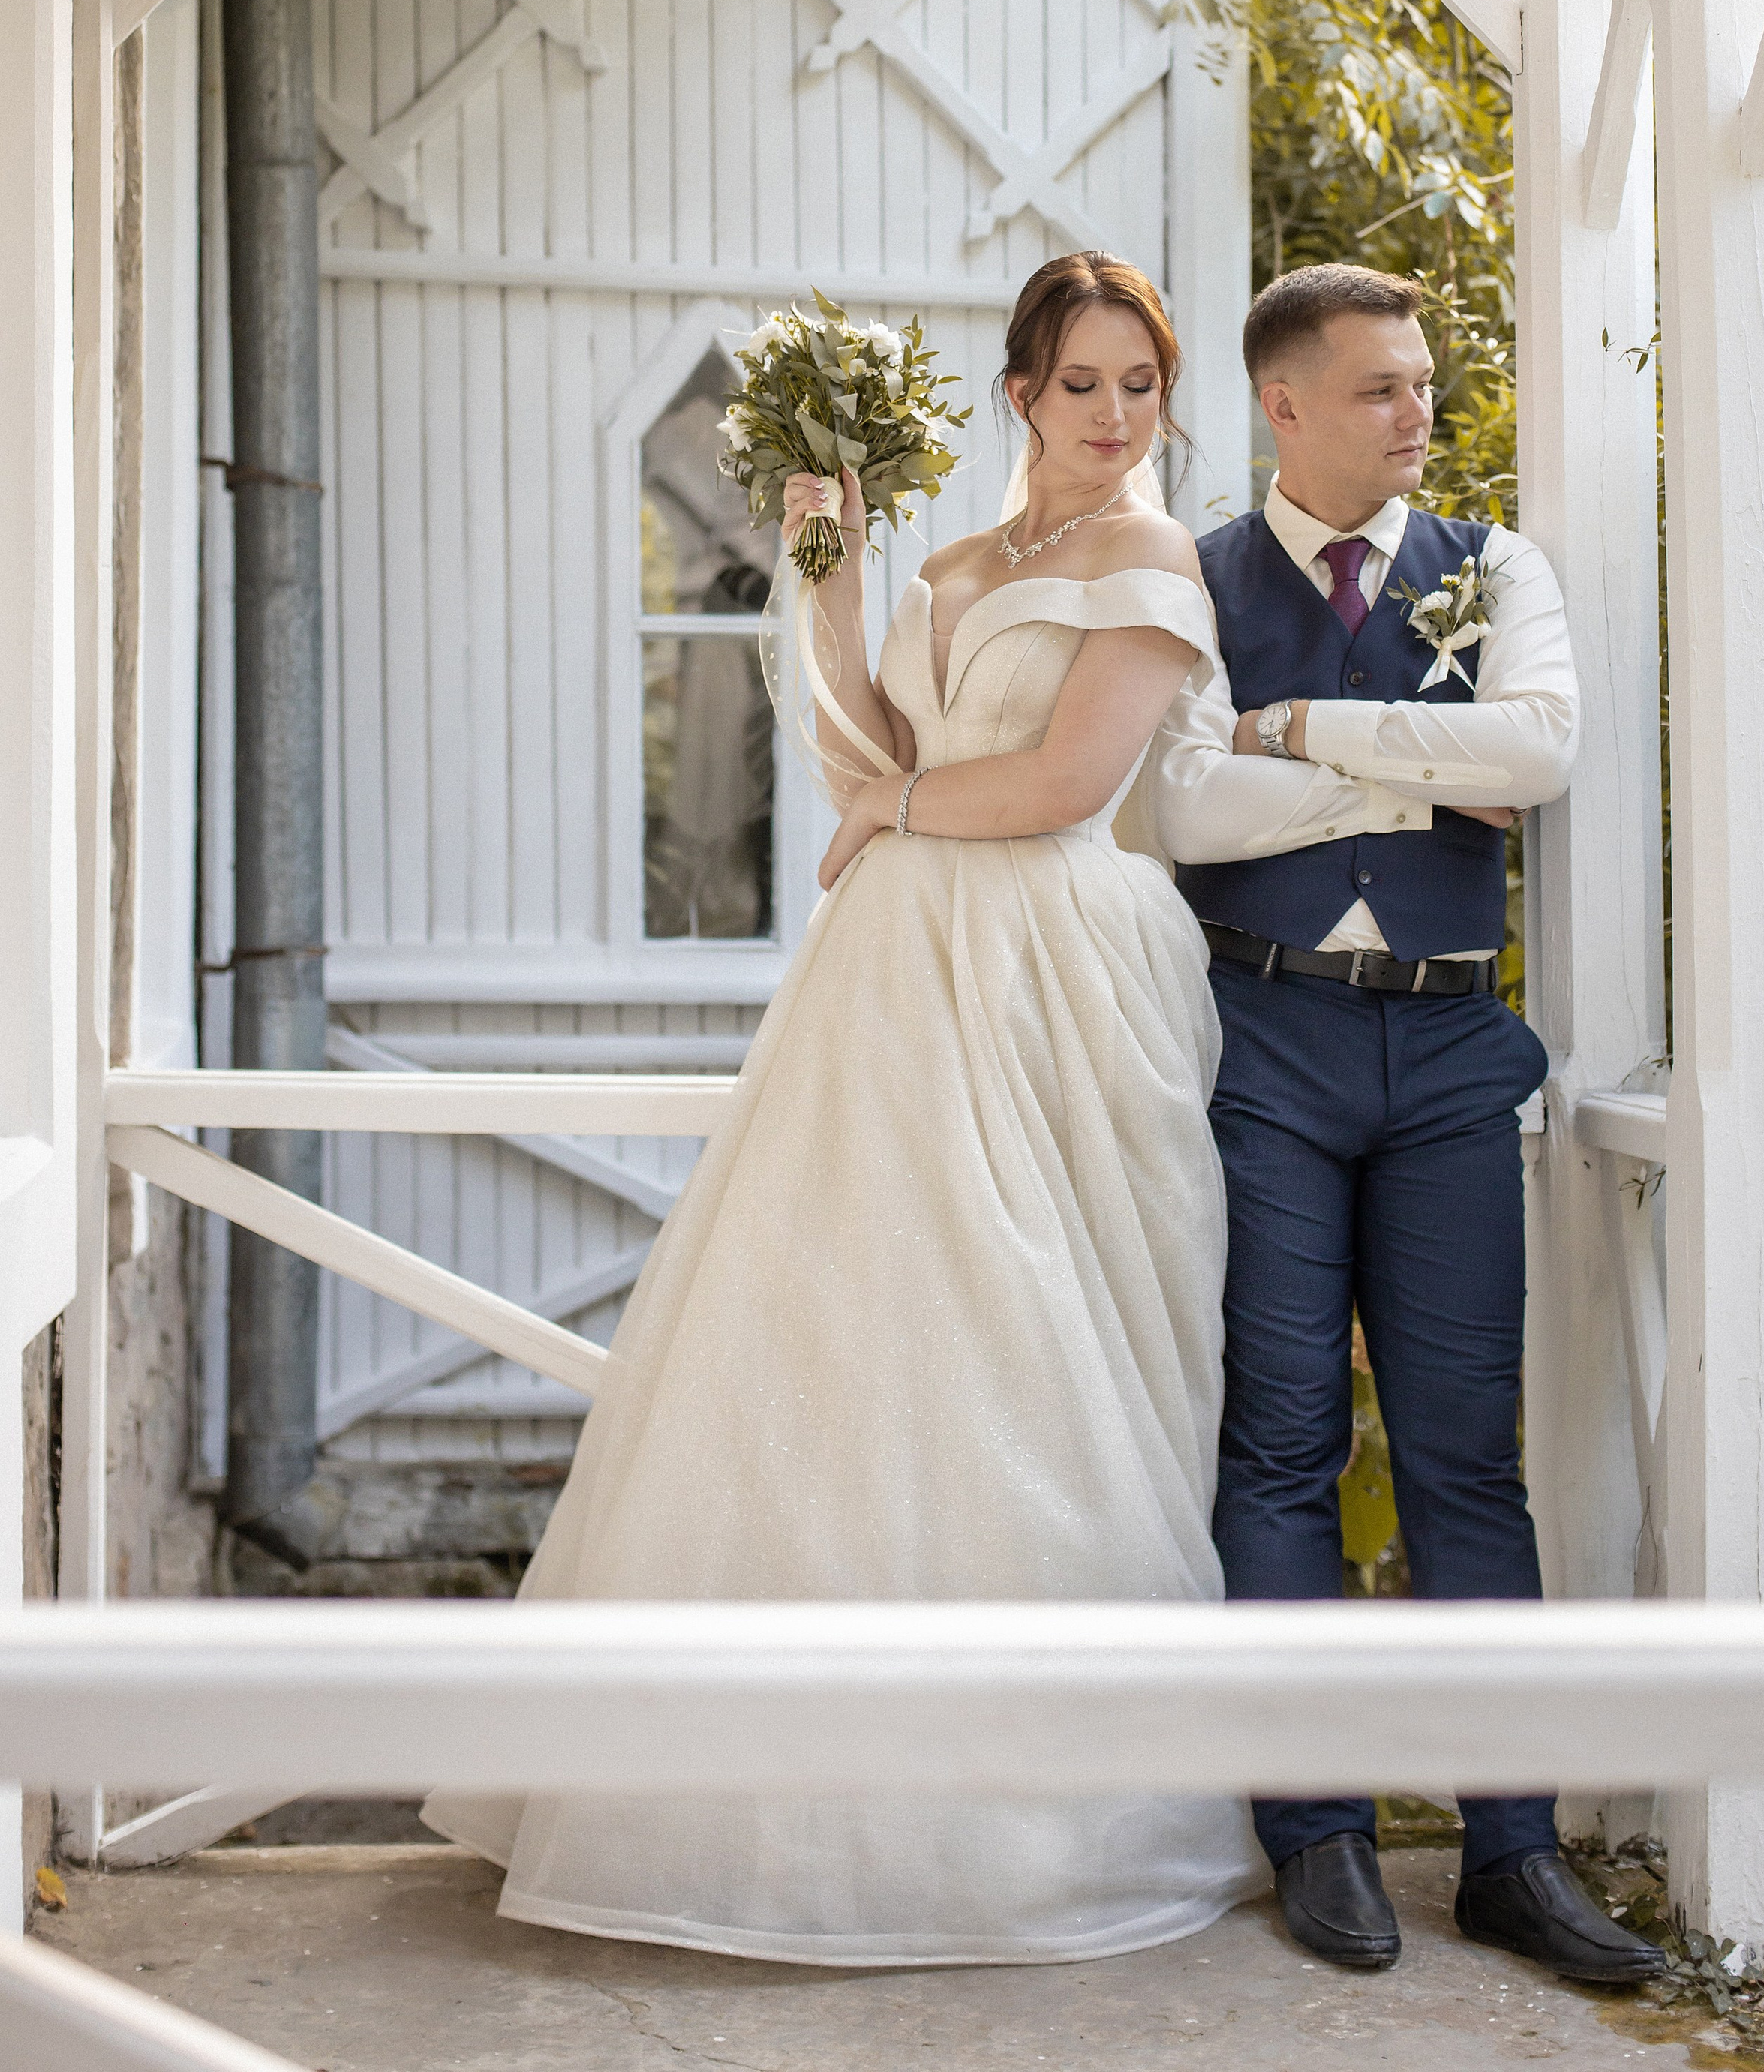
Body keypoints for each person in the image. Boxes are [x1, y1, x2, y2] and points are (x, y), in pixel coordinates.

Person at [425, 252, 1267, 1962]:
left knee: (1034, 1337)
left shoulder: (1150, 559)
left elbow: (1059, 782)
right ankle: (747, 1801)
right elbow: (857, 750)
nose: (1113, 418)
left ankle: (1029, 1817)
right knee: (834, 1323)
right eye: (1081, 383)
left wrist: (890, 802)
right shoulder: (952, 562)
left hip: (1053, 967)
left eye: (1140, 386)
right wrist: (832, 570)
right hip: (886, 963)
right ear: (1018, 393)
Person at [1148, 262, 1662, 1989]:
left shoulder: (1492, 565)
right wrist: (1408, 756)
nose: (1416, 411)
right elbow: (1177, 803)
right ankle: (1319, 1831)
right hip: (1262, 1039)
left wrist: (1297, 729)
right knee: (1281, 1441)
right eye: (1377, 386)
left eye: (1421, 381)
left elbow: (1533, 754)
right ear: (1282, 406)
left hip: (1450, 1058)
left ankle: (1512, 1849)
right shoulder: (1193, 578)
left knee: (1460, 1452)